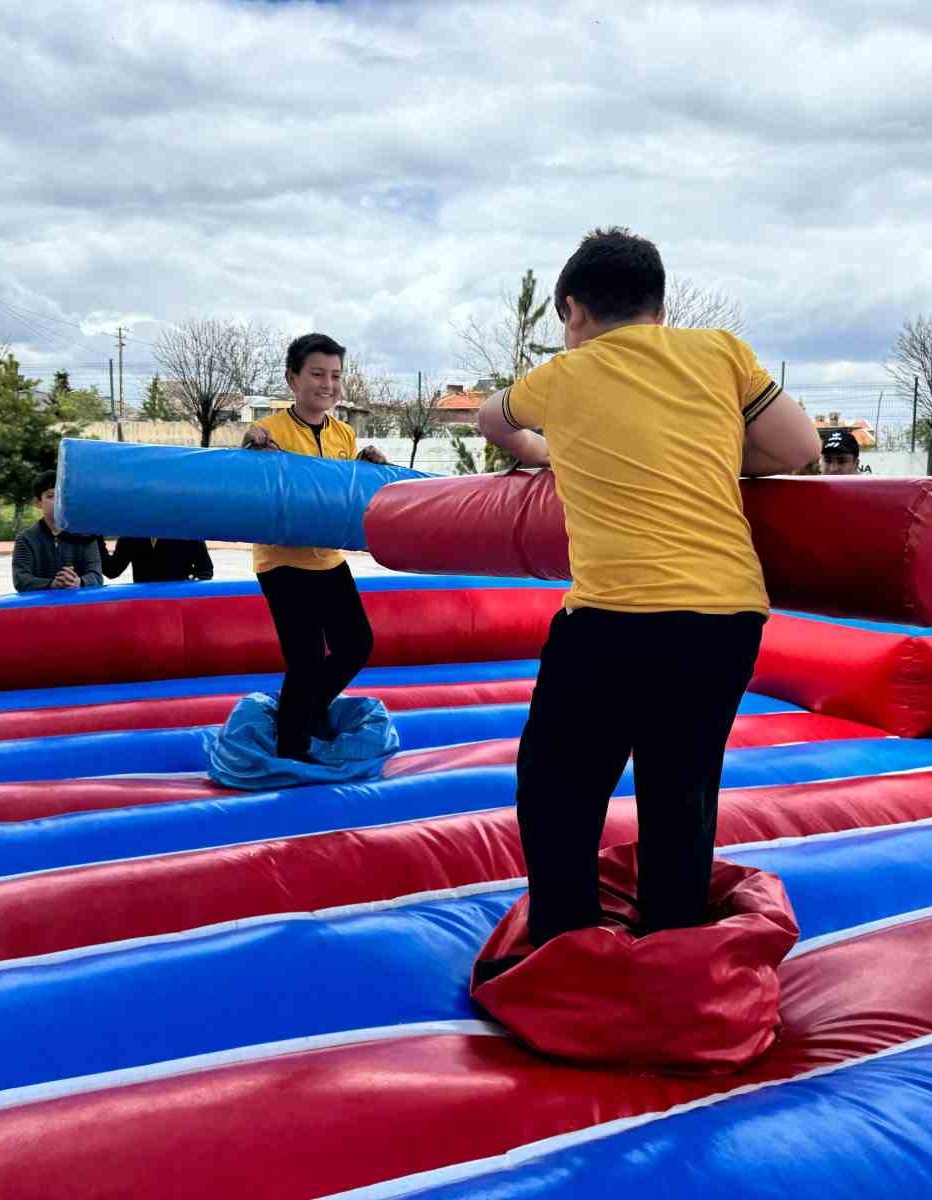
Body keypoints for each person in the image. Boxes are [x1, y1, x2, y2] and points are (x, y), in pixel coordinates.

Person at [476, 226, 821, 947]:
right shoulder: (721, 351)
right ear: (659, 308)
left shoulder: (562, 376)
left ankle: (564, 944)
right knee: (681, 789)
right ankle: (675, 944)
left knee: (559, 784)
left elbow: (490, 420)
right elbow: (800, 449)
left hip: (615, 616)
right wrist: (707, 455)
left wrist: (548, 450)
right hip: (726, 615)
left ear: (571, 311)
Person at [241, 333, 390, 761]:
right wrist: (251, 448)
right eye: (317, 374)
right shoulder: (268, 431)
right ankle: (290, 746)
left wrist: (365, 469)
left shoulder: (343, 433)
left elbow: (340, 493)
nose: (328, 384)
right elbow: (248, 483)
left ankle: (308, 707)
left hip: (327, 559)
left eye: (336, 375)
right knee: (305, 658)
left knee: (357, 644)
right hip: (282, 562)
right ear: (293, 378)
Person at [12, 470, 103, 593]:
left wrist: (78, 582)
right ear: (38, 502)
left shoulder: (86, 535)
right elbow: (21, 579)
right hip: (42, 608)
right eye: (51, 496)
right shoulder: (26, 539)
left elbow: (96, 576)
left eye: (63, 496)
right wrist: (52, 584)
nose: (59, 502)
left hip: (79, 606)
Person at [101, 536, 214, 583]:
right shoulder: (132, 535)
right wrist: (96, 538)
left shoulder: (184, 531)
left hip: (178, 605)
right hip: (145, 607)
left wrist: (192, 582)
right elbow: (112, 570)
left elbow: (205, 571)